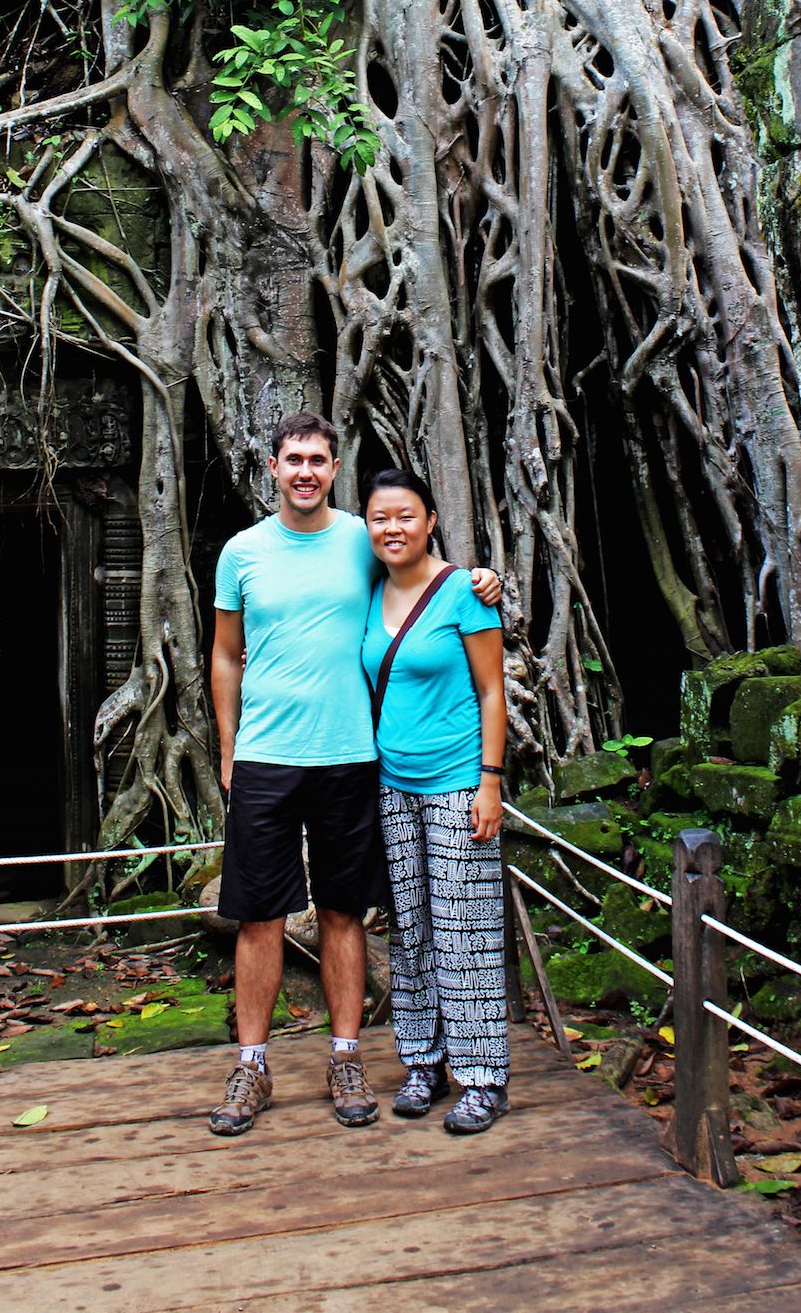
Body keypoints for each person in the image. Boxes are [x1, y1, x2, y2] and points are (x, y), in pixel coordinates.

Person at [207, 412, 501, 1138]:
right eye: (293, 459)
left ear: (335, 468)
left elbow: (426, 574)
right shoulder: (241, 553)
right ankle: (251, 1064)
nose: (305, 470)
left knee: (344, 909)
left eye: (318, 459)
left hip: (353, 759)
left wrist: (486, 577)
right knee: (258, 914)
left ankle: (346, 1057)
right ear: (271, 467)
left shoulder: (361, 541)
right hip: (267, 759)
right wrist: (227, 745)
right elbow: (224, 655)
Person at [362, 465, 511, 1135]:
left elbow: (492, 692)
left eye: (405, 515)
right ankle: (424, 1061)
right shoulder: (367, 591)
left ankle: (483, 1078)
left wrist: (490, 781)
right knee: (412, 927)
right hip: (392, 783)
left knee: (466, 930)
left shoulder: (465, 593)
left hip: (457, 783)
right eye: (380, 518)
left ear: (429, 521)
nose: (393, 528)